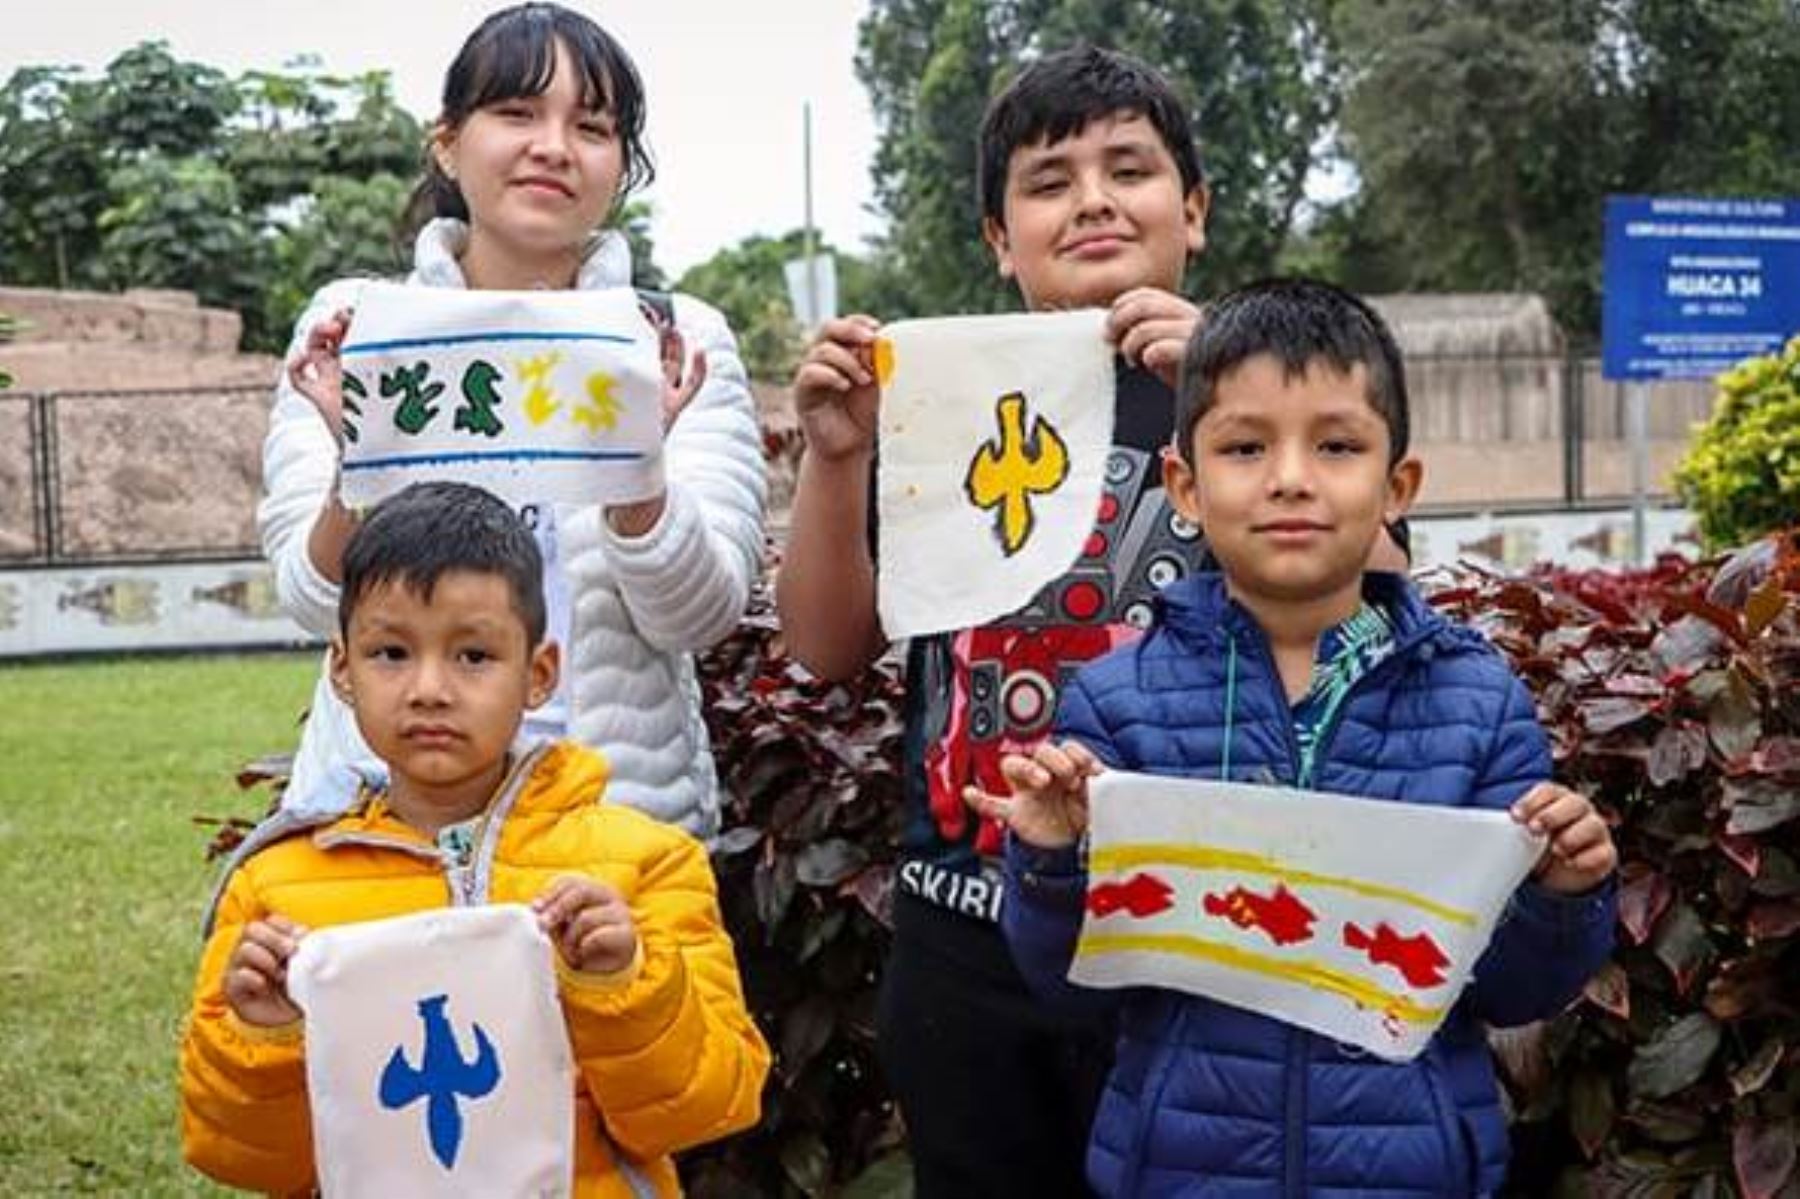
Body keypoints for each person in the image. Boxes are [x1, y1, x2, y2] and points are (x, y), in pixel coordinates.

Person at [973, 278, 1619, 1197]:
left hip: (1413, 1173)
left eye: (1338, 445)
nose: (1289, 477)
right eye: (1244, 446)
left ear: (1399, 486)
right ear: (1185, 487)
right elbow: (1075, 988)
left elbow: (1513, 991)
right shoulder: (1116, 704)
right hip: (1180, 1173)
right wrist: (1047, 855)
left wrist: (1564, 894)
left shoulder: (1478, 702)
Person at [779, 45, 1215, 1198]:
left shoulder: (1260, 383)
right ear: (996, 235)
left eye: (1131, 167)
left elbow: (1377, 585)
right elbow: (825, 646)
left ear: (1196, 209)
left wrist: (1231, 391)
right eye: (1049, 178)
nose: (1095, 200)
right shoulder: (932, 395)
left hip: (1195, 934)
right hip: (964, 928)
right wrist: (839, 455)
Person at [180, 481, 770, 1197]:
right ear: (342, 668)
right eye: (391, 652)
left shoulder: (641, 866)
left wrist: (623, 984)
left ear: (540, 673)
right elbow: (244, 1157)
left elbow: (708, 1108)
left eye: (473, 656)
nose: (429, 688)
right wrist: (263, 1037)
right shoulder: (276, 890)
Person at [261, 2, 764, 834]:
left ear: (619, 164)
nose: (554, 147)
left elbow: (698, 617)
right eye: (517, 112)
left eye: (592, 126)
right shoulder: (359, 327)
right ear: (449, 141)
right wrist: (363, 463)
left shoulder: (675, 339)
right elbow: (315, 604)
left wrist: (638, 471)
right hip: (385, 816)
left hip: (610, 830)